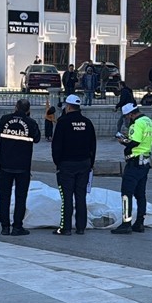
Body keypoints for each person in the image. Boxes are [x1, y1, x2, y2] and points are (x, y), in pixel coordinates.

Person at [0, 99, 41, 236]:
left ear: (15, 107)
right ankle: (17, 227)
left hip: (5, 165)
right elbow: (37, 138)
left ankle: (4, 227)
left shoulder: (5, 119)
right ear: (28, 110)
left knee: (4, 197)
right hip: (23, 167)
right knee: (20, 198)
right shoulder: (31, 123)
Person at [51, 94, 96, 235]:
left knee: (67, 197)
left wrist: (58, 163)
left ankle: (66, 228)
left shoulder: (62, 122)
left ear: (68, 106)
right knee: (80, 196)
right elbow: (93, 146)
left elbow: (56, 145)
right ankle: (81, 227)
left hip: (67, 164)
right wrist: (90, 164)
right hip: (84, 164)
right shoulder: (87, 122)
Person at [111, 103, 152, 234]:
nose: (127, 119)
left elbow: (134, 142)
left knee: (127, 194)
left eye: (127, 116)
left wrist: (123, 140)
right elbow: (151, 141)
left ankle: (126, 223)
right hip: (145, 162)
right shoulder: (150, 122)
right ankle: (139, 223)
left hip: (134, 163)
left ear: (131, 114)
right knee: (140, 194)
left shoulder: (136, 124)